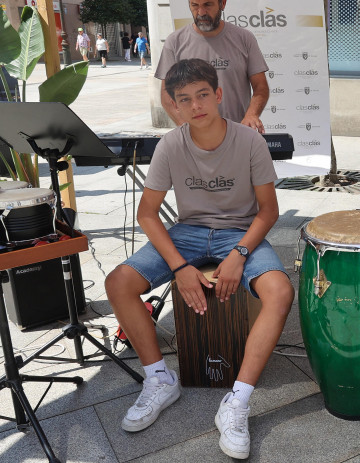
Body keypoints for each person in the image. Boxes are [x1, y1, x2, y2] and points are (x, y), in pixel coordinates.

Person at [104, 58, 293, 460]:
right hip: (187, 233)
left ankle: (237, 402)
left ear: (219, 94)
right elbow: (147, 214)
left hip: (239, 231)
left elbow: (268, 211)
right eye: (184, 99)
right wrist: (179, 267)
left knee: (279, 291)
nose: (195, 105)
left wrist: (241, 253)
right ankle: (158, 379)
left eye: (203, 95)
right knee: (119, 282)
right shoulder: (171, 145)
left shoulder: (249, 141)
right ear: (174, 104)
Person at [154, 0, 269, 131]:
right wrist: (185, 126)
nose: (201, 12)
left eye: (208, 5)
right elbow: (166, 93)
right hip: (196, 138)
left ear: (222, 4)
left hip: (238, 135)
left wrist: (251, 115)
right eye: (195, 5)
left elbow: (260, 87)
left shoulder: (244, 38)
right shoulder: (175, 42)